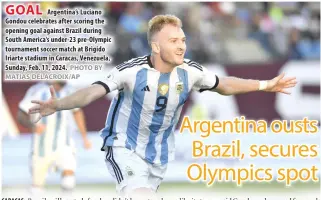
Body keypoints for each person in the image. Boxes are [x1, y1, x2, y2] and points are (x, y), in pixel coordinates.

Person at [28, 15, 297, 196]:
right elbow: (91, 93)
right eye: (173, 41)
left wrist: (265, 85)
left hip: (159, 155)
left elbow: (224, 85)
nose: (182, 46)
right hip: (124, 147)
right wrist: (59, 104)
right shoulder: (130, 72)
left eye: (183, 40)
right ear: (156, 47)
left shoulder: (190, 72)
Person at [17, 81, 92, 194]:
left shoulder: (70, 90)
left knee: (68, 180)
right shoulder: (37, 90)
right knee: (37, 188)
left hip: (65, 143)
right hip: (41, 147)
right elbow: (21, 114)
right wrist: (32, 126)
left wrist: (84, 138)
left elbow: (77, 113)